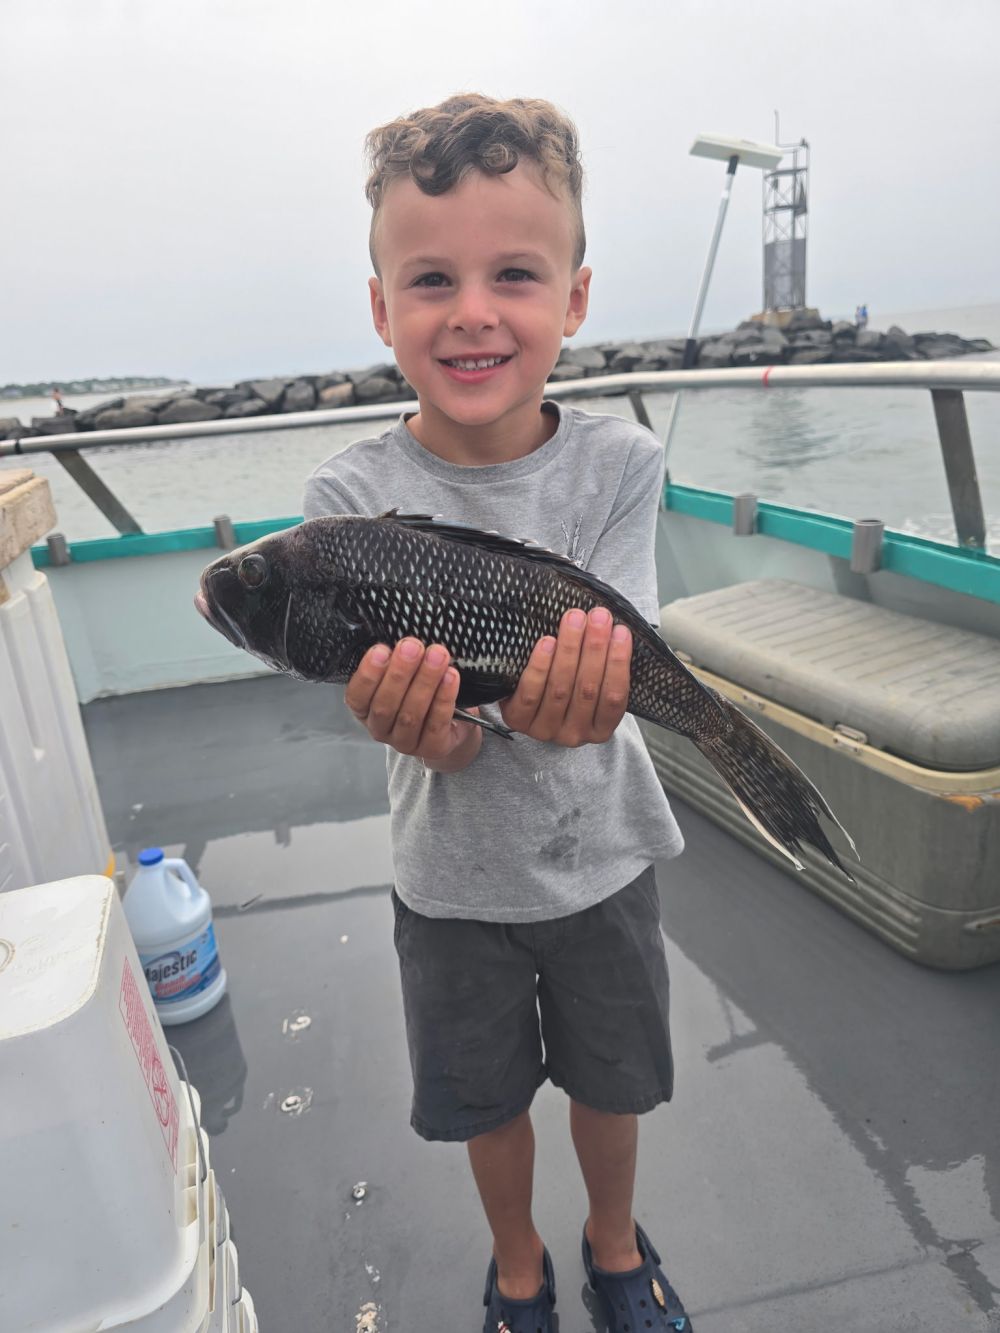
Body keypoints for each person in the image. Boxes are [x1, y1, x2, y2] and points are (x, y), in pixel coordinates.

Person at [303, 94, 692, 1333]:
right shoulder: (345, 495)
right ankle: (518, 1260)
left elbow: (606, 676)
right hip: (449, 881)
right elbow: (437, 715)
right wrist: (442, 734)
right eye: (430, 279)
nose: (472, 309)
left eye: (514, 273)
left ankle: (615, 1243)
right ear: (381, 309)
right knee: (486, 1099)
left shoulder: (620, 465)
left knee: (610, 1081)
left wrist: (572, 710)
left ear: (574, 298)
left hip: (604, 858)